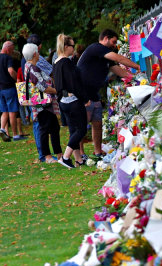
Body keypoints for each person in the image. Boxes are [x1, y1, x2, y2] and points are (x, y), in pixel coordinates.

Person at [77, 29, 140, 160]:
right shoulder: (97, 48)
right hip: (83, 93)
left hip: (94, 94)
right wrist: (137, 66)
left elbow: (118, 70)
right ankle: (79, 155)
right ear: (105, 38)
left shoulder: (104, 55)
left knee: (97, 124)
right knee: (81, 125)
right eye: (113, 42)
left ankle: (98, 152)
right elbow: (119, 58)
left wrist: (137, 78)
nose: (114, 45)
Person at [22, 43, 61, 164]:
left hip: (44, 103)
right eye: (37, 52)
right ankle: (47, 156)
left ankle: (59, 154)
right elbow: (43, 87)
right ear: (34, 54)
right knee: (45, 129)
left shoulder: (30, 66)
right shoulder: (32, 69)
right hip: (42, 104)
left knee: (54, 127)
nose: (39, 54)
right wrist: (58, 91)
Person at [53, 34, 88, 169]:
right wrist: (85, 98)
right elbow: (74, 84)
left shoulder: (56, 62)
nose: (73, 48)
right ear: (66, 47)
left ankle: (78, 160)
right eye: (72, 46)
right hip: (73, 101)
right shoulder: (66, 62)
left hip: (63, 101)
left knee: (73, 130)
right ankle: (66, 157)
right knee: (81, 130)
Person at [0, 41, 25, 142]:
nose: (13, 51)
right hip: (9, 88)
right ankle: (15, 135)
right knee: (12, 111)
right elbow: (10, 71)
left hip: (0, 89)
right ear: (7, 48)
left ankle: (2, 129)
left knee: (4, 111)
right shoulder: (7, 58)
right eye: (12, 49)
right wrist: (16, 79)